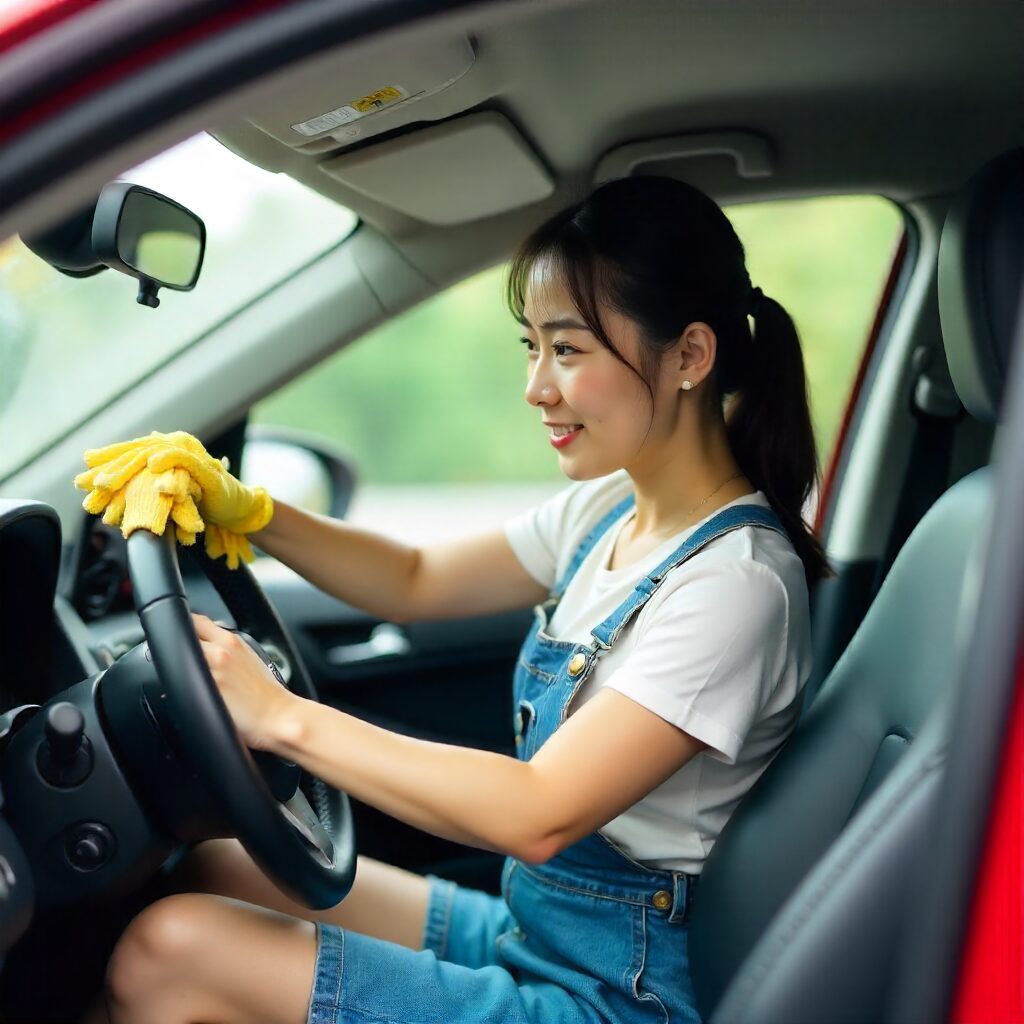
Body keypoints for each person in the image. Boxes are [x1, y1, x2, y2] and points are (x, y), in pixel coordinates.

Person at [78, 174, 826, 1024]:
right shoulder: (610, 506)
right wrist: (249, 510)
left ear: (690, 356)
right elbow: (415, 579)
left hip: (619, 997)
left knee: (167, 954)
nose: (537, 387)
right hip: (538, 933)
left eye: (569, 350)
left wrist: (278, 716)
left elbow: (540, 813)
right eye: (530, 347)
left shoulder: (736, 585)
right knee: (218, 867)